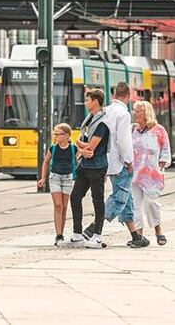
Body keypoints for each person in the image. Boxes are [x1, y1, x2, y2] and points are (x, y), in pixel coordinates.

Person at [88, 82, 144, 245]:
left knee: (126, 198)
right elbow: (123, 141)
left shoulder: (106, 111)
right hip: (120, 162)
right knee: (119, 198)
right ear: (128, 96)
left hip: (106, 160)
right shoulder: (123, 114)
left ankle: (135, 236)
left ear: (114, 94)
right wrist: (129, 161)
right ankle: (92, 229)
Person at [68, 89, 110, 248]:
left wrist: (80, 145)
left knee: (97, 200)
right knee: (75, 197)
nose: (85, 103)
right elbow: (83, 142)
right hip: (85, 165)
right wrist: (82, 148)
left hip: (97, 166)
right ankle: (77, 234)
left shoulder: (102, 123)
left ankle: (97, 237)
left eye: (87, 100)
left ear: (95, 102)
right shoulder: (90, 120)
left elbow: (91, 146)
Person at [129, 100, 170, 247]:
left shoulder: (159, 130)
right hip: (134, 174)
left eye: (138, 111)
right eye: (134, 110)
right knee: (135, 205)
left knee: (151, 203)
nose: (135, 113)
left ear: (146, 112)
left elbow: (165, 150)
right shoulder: (131, 129)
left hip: (152, 175)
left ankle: (158, 229)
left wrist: (161, 165)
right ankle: (138, 235)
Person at [38, 122, 76, 245]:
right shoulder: (52, 148)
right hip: (54, 177)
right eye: (55, 134)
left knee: (64, 207)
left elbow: (80, 159)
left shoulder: (73, 148)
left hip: (68, 178)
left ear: (66, 135)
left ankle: (61, 232)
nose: (55, 136)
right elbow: (45, 162)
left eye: (57, 134)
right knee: (58, 205)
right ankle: (58, 234)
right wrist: (43, 178)